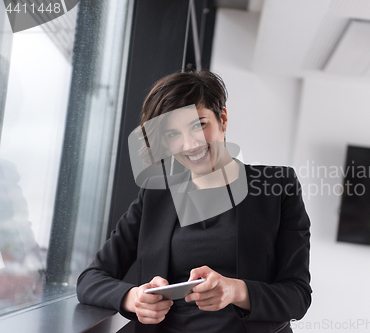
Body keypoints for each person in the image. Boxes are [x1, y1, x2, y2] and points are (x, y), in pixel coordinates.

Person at [76, 70, 312, 333]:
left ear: (222, 118)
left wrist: (236, 291)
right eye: (173, 134)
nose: (190, 145)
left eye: (199, 125)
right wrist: (134, 298)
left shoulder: (277, 186)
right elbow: (90, 279)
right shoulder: (156, 194)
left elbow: (297, 296)